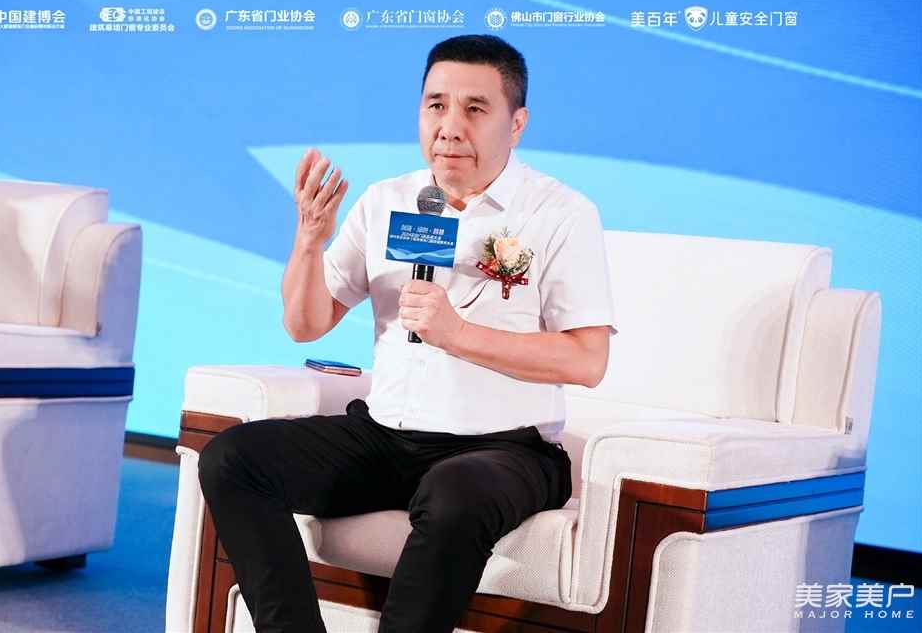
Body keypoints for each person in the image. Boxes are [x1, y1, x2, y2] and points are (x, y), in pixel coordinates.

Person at [198, 34, 618, 633]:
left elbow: (587, 360)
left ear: (517, 123)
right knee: (233, 459)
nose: (450, 128)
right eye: (436, 106)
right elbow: (305, 324)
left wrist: (457, 333)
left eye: (475, 109)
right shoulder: (387, 201)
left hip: (503, 449)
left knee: (455, 493)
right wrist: (309, 240)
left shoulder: (560, 213)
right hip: (386, 437)